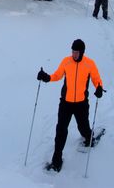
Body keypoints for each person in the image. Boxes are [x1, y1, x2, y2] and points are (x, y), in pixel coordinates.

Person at [37, 39, 104, 172]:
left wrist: (99, 88)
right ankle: (56, 161)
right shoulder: (66, 61)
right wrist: (47, 77)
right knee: (61, 131)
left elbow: (96, 79)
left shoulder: (89, 64)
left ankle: (89, 139)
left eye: (76, 52)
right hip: (66, 103)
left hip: (81, 103)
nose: (74, 54)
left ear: (82, 52)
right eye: (72, 51)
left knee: (83, 126)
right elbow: (57, 75)